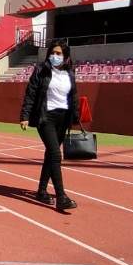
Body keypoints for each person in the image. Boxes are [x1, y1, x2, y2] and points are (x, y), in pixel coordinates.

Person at [19, 40, 79, 212]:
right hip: (45, 117)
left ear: (66, 56)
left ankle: (41, 191)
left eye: (59, 53)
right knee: (55, 154)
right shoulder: (41, 70)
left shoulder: (70, 72)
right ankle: (61, 196)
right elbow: (31, 93)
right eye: (53, 53)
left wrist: (75, 116)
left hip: (64, 118)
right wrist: (25, 116)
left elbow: (74, 95)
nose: (55, 56)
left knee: (50, 155)